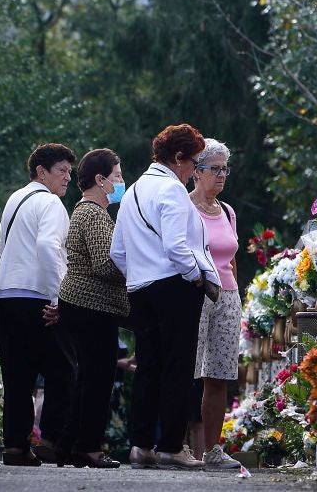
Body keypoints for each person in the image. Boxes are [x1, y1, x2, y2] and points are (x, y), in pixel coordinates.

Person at [110, 124, 220, 470]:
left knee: (148, 367)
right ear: (178, 158)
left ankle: (141, 445)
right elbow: (176, 246)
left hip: (140, 289)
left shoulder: (132, 193)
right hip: (174, 287)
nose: (194, 171)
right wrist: (195, 277)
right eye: (194, 162)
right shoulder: (171, 190)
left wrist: (139, 275)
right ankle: (172, 445)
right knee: (178, 368)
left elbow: (117, 252)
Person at [0, 143, 76, 467]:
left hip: (6, 294)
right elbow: (47, 245)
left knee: (17, 375)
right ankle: (51, 439)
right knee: (63, 368)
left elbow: (0, 251)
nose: (68, 178)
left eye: (70, 171)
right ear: (42, 172)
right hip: (38, 297)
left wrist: (17, 266)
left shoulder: (14, 200)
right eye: (62, 171)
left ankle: (15, 445)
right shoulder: (51, 203)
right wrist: (59, 297)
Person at [54, 149, 129, 468]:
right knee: (98, 378)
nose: (122, 182)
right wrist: (135, 264)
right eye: (118, 176)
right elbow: (104, 265)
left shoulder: (85, 211)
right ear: (100, 180)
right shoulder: (94, 214)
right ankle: (88, 447)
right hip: (90, 306)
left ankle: (69, 444)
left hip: (81, 304)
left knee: (87, 378)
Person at [188, 139, 242, 470]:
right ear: (196, 171)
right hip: (194, 295)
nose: (221, 175)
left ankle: (212, 450)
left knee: (219, 375)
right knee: (186, 371)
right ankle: (173, 446)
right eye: (215, 169)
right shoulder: (184, 206)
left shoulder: (228, 211)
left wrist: (236, 296)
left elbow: (232, 260)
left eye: (225, 169)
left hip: (227, 295)